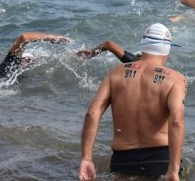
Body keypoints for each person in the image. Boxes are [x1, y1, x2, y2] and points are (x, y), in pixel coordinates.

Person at [79, 23, 186, 181]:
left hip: (122, 160)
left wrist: (86, 159)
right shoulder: (176, 79)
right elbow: (176, 122)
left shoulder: (115, 73)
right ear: (167, 49)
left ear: (143, 46)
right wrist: (174, 170)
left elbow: (92, 114)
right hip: (160, 159)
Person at [0, 32, 70, 89]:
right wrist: (52, 38)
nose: (28, 62)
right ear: (21, 58)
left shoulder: (19, 72)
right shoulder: (11, 63)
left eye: (30, 61)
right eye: (27, 59)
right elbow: (24, 37)